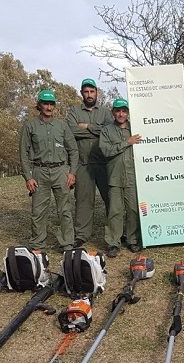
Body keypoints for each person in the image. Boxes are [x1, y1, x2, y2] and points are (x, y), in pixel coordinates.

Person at [19, 89, 78, 251]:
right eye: (45, 103)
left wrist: (72, 172)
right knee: (38, 211)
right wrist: (28, 177)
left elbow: (73, 150)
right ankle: (38, 243)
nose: (49, 107)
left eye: (52, 104)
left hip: (61, 171)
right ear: (39, 105)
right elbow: (23, 153)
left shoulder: (62, 126)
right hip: (39, 172)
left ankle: (67, 243)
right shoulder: (30, 126)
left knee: (65, 209)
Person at [66, 78, 113, 248]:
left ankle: (116, 234)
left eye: (92, 91)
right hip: (83, 164)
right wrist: (96, 130)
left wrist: (86, 126)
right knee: (84, 201)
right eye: (86, 92)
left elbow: (109, 131)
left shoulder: (106, 112)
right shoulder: (73, 112)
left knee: (112, 199)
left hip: (104, 163)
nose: (89, 95)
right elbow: (71, 131)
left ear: (97, 92)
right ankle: (82, 235)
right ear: (81, 94)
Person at [98, 98, 142, 257]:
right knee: (115, 211)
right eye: (118, 111)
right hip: (114, 177)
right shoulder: (106, 130)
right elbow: (106, 151)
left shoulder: (136, 128)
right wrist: (127, 142)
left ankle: (132, 240)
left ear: (128, 113)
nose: (121, 114)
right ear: (113, 112)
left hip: (133, 176)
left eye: (124, 111)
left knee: (133, 210)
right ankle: (113, 243)